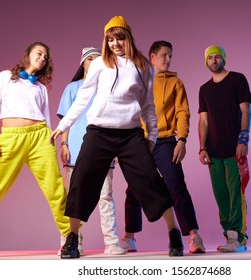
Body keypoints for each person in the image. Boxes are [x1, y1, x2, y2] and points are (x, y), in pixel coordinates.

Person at [49, 16, 184, 258]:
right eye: (110, 39)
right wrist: (63, 126)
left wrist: (151, 136)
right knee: (81, 180)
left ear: (128, 37)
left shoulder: (143, 67)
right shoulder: (100, 64)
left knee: (151, 180)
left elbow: (148, 106)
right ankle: (72, 239)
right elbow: (82, 98)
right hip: (99, 132)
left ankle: (174, 234)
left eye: (119, 37)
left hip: (130, 134)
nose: (115, 43)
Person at [0, 42, 70, 260]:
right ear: (28, 54)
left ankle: (71, 236)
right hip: (10, 138)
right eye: (39, 53)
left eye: (46, 56)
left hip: (40, 137)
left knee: (56, 189)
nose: (42, 58)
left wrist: (50, 142)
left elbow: (46, 116)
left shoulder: (40, 88)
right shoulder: (5, 77)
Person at [120, 40, 205, 254]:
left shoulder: (175, 83)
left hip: (165, 140)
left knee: (176, 184)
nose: (168, 59)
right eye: (165, 55)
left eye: (171, 56)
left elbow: (182, 113)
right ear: (153, 57)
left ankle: (193, 235)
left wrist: (182, 140)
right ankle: (130, 237)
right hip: (138, 141)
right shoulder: (138, 79)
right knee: (133, 189)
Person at [57, 47, 125, 255]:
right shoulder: (72, 88)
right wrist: (65, 144)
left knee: (105, 196)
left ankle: (111, 242)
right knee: (73, 199)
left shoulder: (108, 87)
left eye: (98, 58)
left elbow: (116, 117)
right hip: (76, 151)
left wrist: (117, 148)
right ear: (83, 63)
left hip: (103, 150)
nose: (95, 61)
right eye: (90, 59)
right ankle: (70, 242)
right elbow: (66, 119)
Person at [198, 45, 251, 253]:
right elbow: (203, 121)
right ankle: (228, 235)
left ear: (223, 59)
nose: (214, 61)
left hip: (234, 149)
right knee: (221, 195)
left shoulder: (237, 80)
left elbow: (245, 112)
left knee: (236, 195)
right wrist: (202, 148)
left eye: (217, 57)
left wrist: (243, 140)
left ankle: (238, 238)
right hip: (213, 152)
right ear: (206, 62)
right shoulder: (204, 89)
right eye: (210, 58)